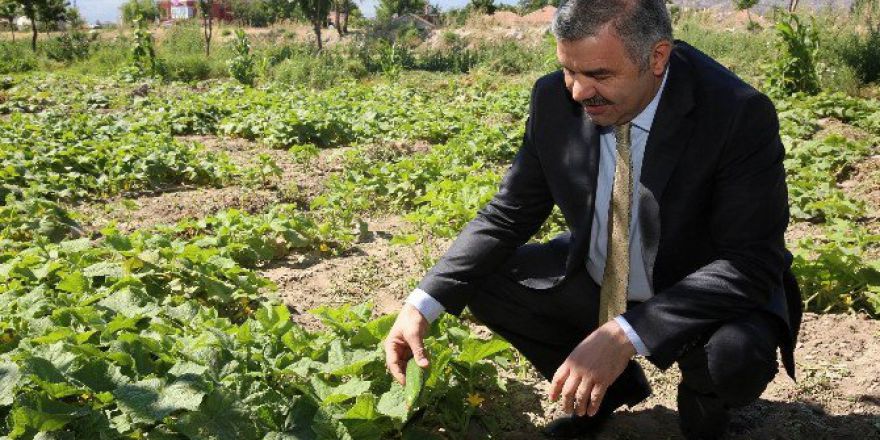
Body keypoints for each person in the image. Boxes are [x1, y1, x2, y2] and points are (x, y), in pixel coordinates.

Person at [383, 0, 803, 438]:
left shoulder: (735, 112)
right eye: (569, 69)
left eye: (599, 75)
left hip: (699, 289)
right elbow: (509, 212)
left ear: (656, 58)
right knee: (482, 279)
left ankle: (703, 399)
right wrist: (422, 303)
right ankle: (606, 392)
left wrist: (624, 335)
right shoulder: (552, 99)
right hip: (601, 274)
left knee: (734, 357)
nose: (578, 91)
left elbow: (752, 261)